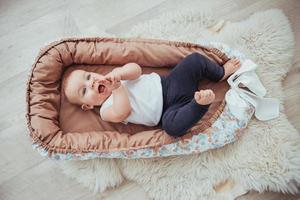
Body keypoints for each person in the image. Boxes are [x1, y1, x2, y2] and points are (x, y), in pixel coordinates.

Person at [62, 52, 240, 137]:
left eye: (88, 76)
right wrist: (117, 89)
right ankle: (199, 104)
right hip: (166, 112)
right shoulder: (105, 110)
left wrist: (121, 75)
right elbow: (122, 112)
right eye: (84, 90)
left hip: (169, 84)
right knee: (172, 129)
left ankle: (219, 73)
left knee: (193, 60)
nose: (91, 83)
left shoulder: (116, 74)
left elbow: (137, 70)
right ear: (87, 106)